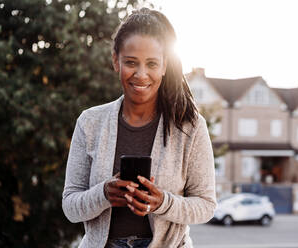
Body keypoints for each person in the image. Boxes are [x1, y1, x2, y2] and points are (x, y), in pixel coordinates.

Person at [62, 8, 216, 248]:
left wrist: (162, 202)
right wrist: (104, 194)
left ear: (165, 66)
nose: (141, 75)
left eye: (152, 64)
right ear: (116, 61)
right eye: (131, 63)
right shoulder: (89, 123)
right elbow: (71, 206)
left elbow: (206, 205)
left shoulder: (190, 126)